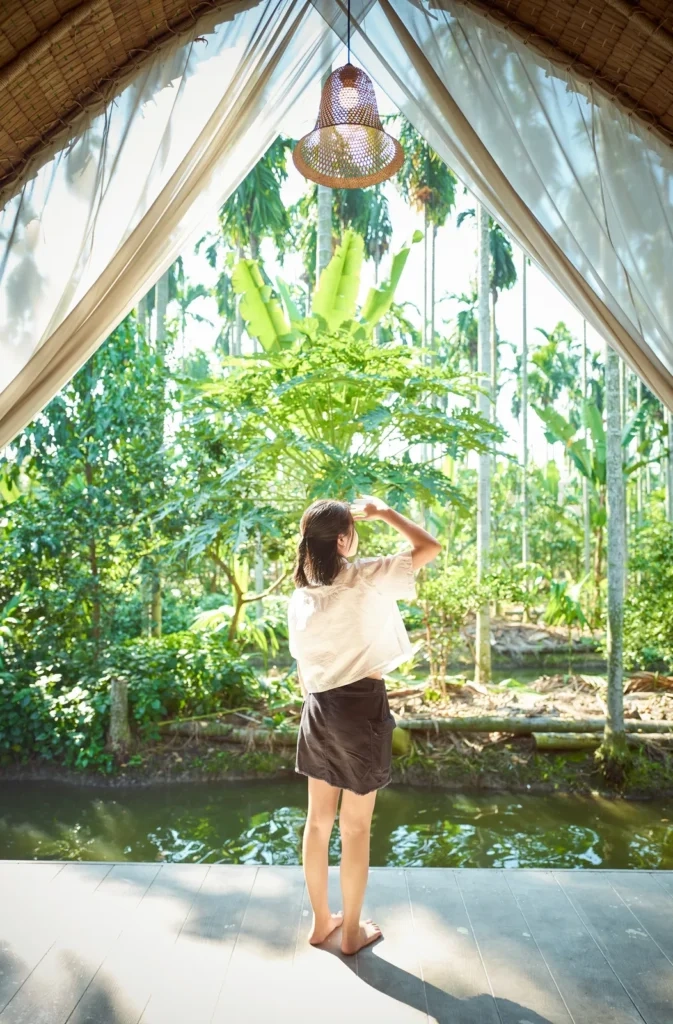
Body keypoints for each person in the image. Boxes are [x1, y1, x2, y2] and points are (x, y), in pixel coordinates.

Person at [288, 495, 441, 955]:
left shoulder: (301, 595)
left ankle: (321, 923)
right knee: (354, 829)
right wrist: (384, 512)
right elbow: (428, 546)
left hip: (316, 708)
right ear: (342, 539)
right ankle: (351, 932)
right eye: (353, 530)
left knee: (317, 824)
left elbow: (304, 665)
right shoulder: (366, 577)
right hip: (359, 709)